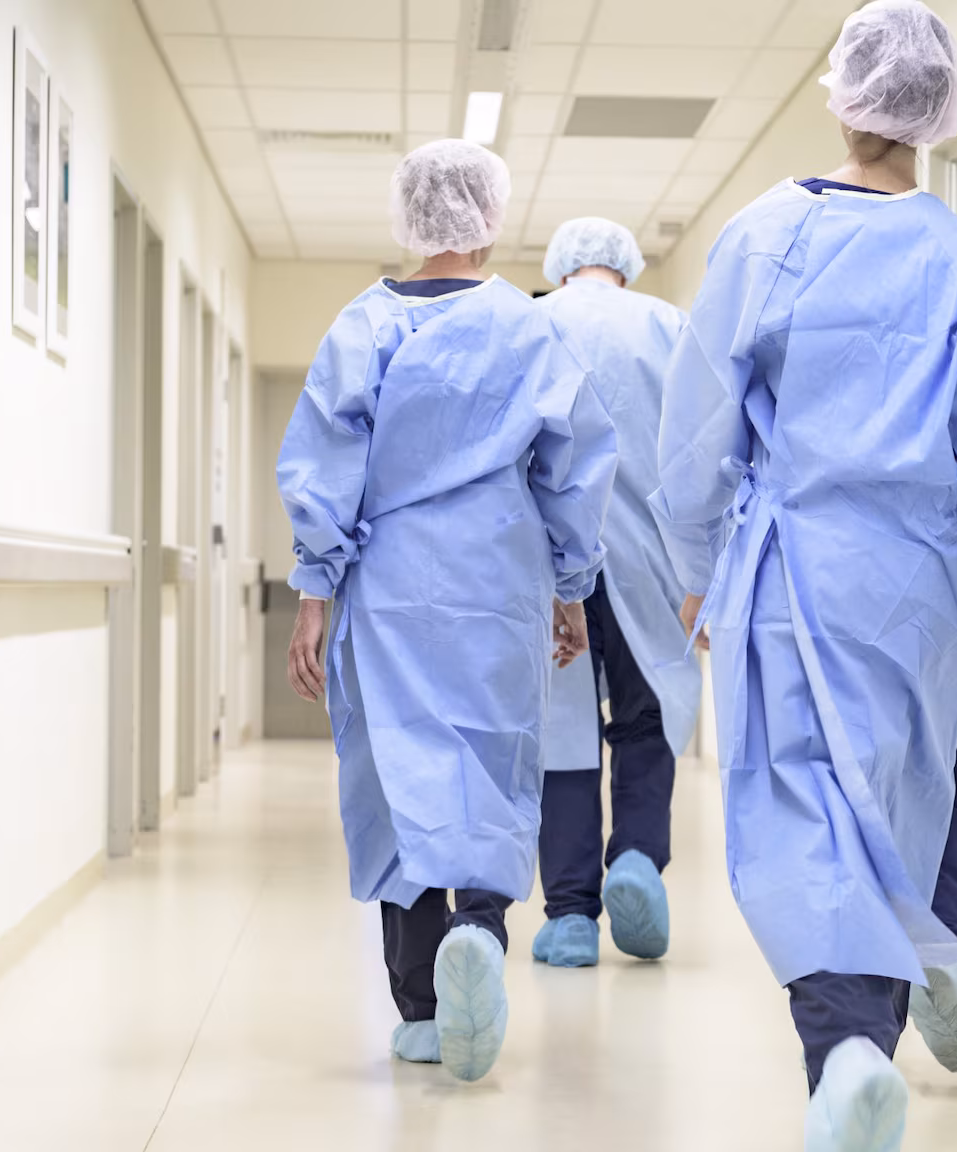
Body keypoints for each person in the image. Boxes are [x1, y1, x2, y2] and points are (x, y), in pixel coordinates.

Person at [651, 3, 957, 1148]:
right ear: (938, 118)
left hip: (788, 584)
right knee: (898, 816)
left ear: (841, 97)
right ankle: (895, 1010)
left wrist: (695, 572)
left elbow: (694, 432)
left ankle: (844, 1053)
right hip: (922, 608)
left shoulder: (761, 239)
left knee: (801, 817)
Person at [277, 138, 617, 1084]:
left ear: (409, 218)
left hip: (386, 585)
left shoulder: (363, 326)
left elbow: (323, 472)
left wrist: (313, 602)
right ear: (491, 219)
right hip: (496, 579)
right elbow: (577, 468)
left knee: (399, 779)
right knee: (490, 758)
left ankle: (424, 1005)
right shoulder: (528, 326)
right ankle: (480, 924)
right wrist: (572, 588)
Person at [530, 218, 703, 969]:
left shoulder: (528, 324)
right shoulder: (671, 327)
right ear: (625, 270)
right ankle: (636, 856)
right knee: (645, 717)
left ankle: (570, 915)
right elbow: (708, 451)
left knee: (560, 734)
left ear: (562, 268)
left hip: (544, 568)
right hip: (651, 564)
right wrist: (705, 575)